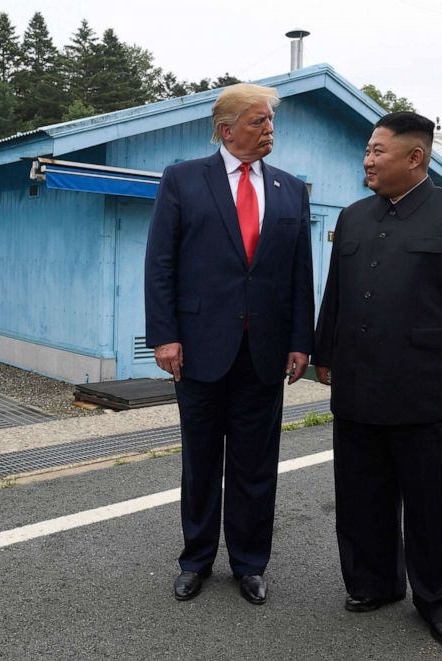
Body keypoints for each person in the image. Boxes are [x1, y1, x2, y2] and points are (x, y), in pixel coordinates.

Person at [313, 111, 442, 650]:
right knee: (361, 492)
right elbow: (336, 294)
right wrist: (326, 353)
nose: (367, 159)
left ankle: (441, 603)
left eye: (377, 151)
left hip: (429, 385)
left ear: (415, 158)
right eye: (367, 151)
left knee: (434, 501)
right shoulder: (353, 217)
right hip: (359, 382)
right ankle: (373, 584)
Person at [145, 83, 315, 606]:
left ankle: (250, 563)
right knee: (200, 461)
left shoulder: (291, 189)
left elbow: (299, 274)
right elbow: (161, 264)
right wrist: (165, 336)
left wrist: (300, 341)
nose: (269, 130)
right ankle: (195, 559)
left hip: (264, 351)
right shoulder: (182, 180)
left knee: (255, 464)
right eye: (259, 121)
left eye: (270, 122)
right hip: (197, 348)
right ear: (226, 129)